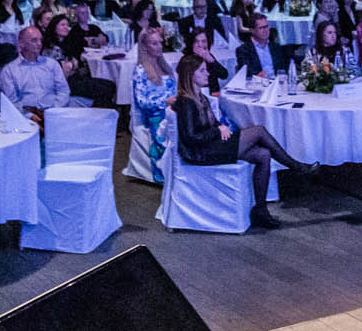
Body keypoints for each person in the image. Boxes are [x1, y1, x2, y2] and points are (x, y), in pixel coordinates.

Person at [172, 55, 315, 229]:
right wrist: (217, 130)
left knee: (263, 154)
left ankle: (261, 210)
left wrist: (220, 127)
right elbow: (190, 138)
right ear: (190, 74)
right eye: (202, 70)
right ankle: (297, 167)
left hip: (210, 144)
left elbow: (211, 124)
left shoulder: (200, 98)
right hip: (200, 152)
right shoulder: (186, 102)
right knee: (259, 131)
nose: (207, 73)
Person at [0, 25, 92, 114]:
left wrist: (54, 110)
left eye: (40, 40)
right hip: (27, 116)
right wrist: (30, 116)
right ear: (21, 44)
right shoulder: (9, 71)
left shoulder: (51, 64)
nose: (39, 44)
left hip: (56, 111)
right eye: (34, 40)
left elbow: (63, 90)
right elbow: (11, 102)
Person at [125, 26, 178, 183]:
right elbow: (142, 101)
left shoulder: (165, 66)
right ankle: (164, 174)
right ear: (145, 46)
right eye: (154, 43)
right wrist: (164, 102)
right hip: (155, 115)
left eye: (160, 42)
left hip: (173, 109)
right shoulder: (141, 71)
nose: (159, 46)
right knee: (164, 128)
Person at [236, 13, 296, 79]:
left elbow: (284, 69)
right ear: (252, 30)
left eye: (266, 26)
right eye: (261, 28)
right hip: (257, 83)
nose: (265, 30)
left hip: (277, 82)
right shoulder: (243, 50)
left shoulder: (276, 47)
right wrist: (257, 76)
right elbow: (246, 73)